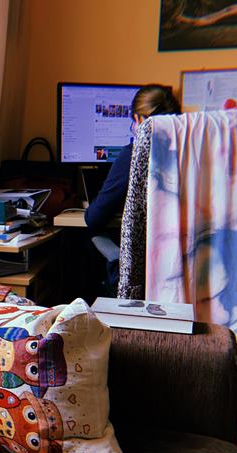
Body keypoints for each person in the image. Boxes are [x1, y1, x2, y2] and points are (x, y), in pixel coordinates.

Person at [83, 84, 181, 297]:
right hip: (177, 263)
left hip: (137, 271)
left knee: (90, 235)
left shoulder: (133, 155)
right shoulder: (188, 152)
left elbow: (94, 218)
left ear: (138, 120)